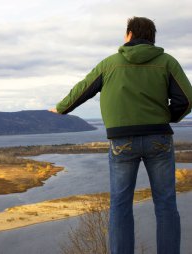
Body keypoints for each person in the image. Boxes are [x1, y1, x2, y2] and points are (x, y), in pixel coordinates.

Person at [49, 17, 192, 254]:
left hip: (122, 141)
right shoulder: (167, 62)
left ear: (128, 35)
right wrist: (169, 116)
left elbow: (82, 90)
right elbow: (187, 99)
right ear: (152, 38)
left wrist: (62, 107)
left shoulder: (109, 64)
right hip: (159, 138)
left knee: (120, 205)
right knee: (166, 204)